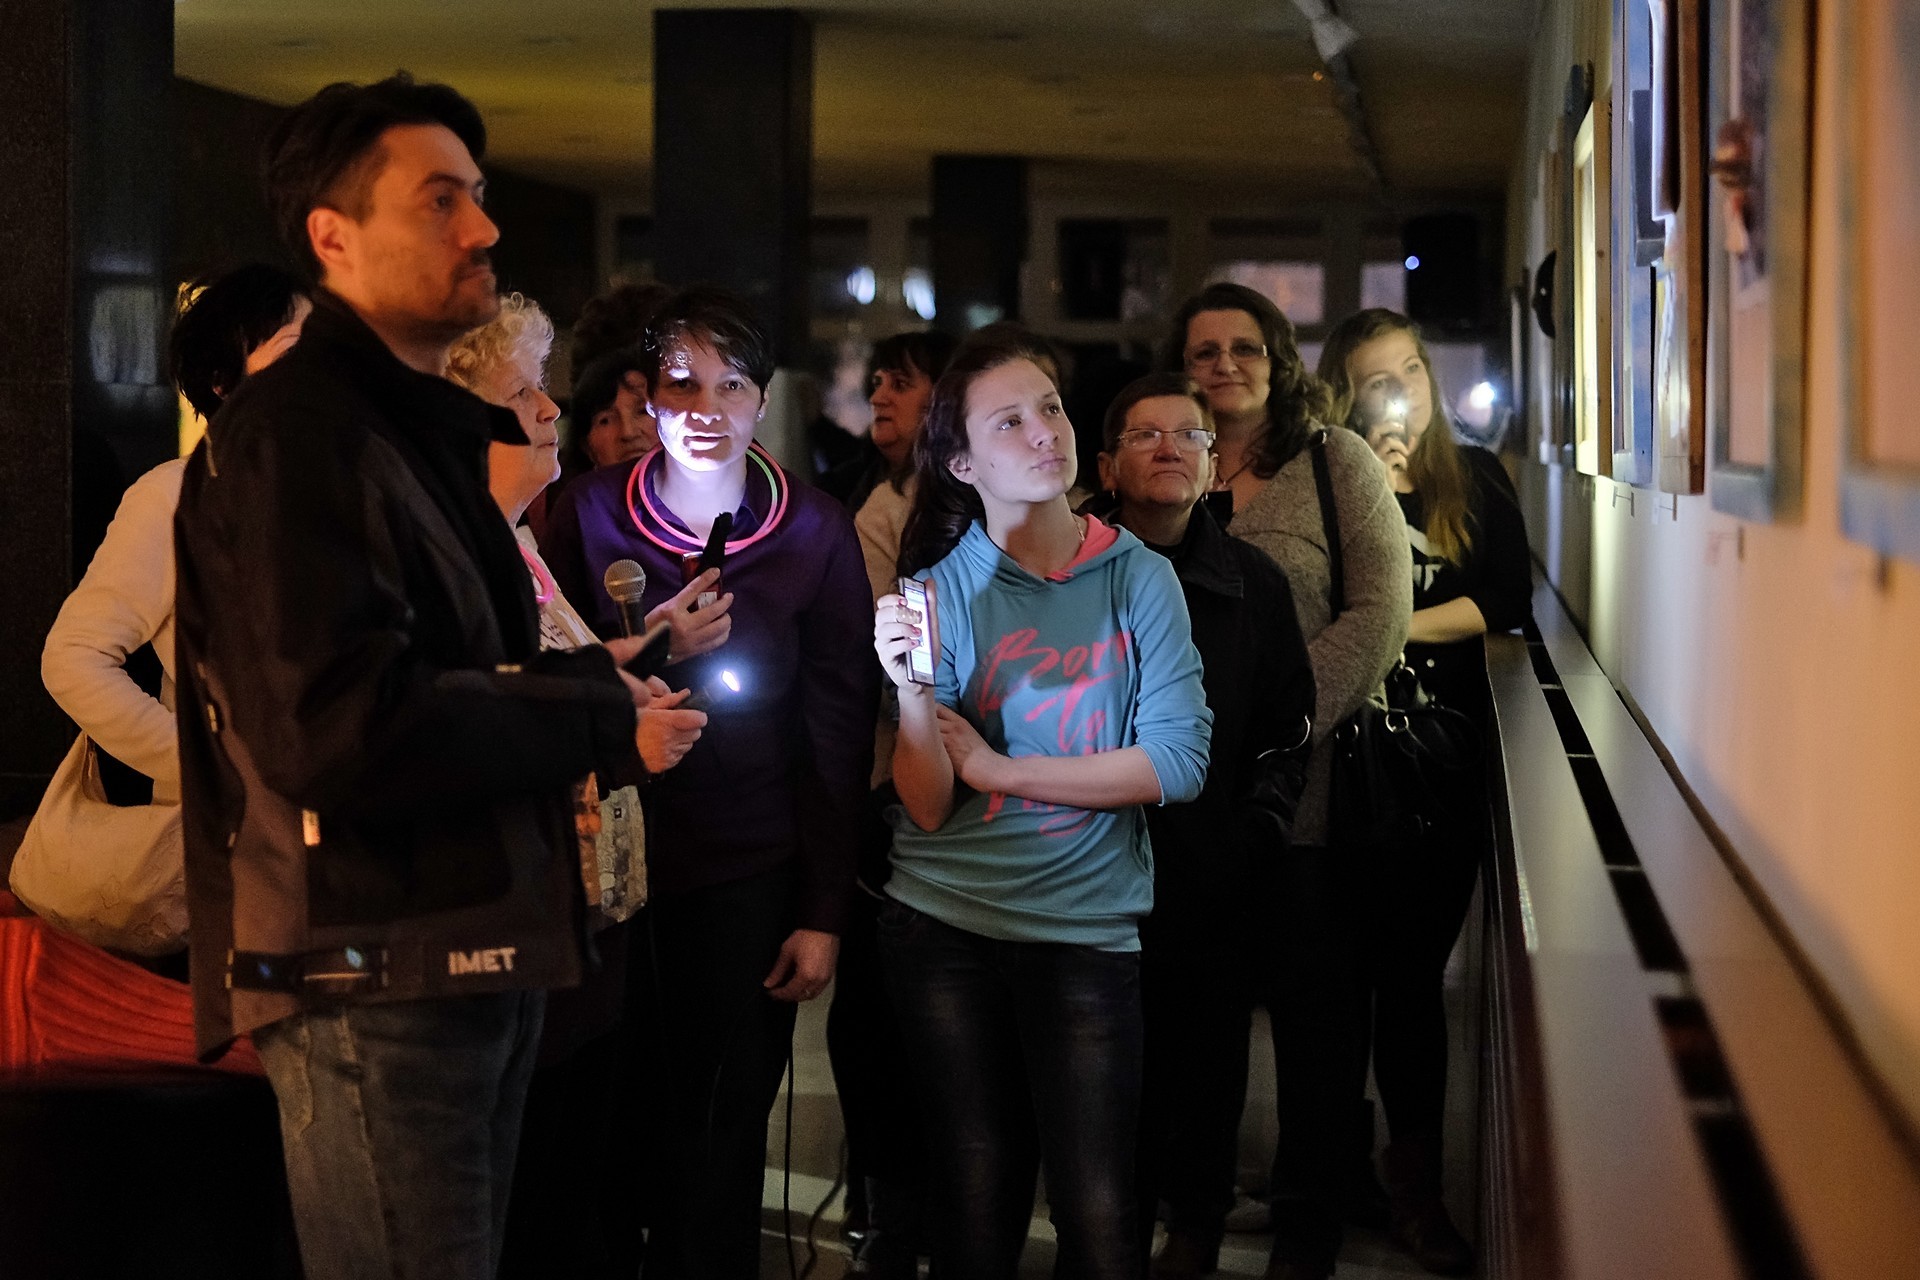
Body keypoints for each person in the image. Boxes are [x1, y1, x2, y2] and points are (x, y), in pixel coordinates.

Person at [172, 74, 650, 1280]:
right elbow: (335, 727)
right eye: (441, 200)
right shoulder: (295, 432)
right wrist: (593, 705)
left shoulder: (404, 426)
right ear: (333, 235)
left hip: (460, 947)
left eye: (479, 195)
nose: (483, 227)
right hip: (371, 965)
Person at [541, 285, 878, 1279]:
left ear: (763, 398)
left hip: (745, 862)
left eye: (731, 385)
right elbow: (539, 671)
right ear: (645, 397)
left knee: (721, 1124)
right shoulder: (588, 510)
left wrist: (821, 909)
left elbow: (836, 724)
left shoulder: (814, 528)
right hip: (602, 861)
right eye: (682, 384)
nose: (705, 408)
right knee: (602, 1118)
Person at [873, 328, 1212, 1280]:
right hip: (945, 920)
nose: (1044, 432)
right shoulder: (935, 591)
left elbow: (1177, 762)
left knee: (1100, 1213)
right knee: (975, 1200)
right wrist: (911, 695)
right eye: (1010, 421)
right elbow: (926, 810)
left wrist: (1003, 771)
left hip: (1086, 925)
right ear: (962, 462)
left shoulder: (1137, 575)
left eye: (1052, 409)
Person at [445, 292, 705, 1279]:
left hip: (586, 909)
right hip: (521, 916)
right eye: (526, 394)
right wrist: (621, 731)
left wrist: (641, 655)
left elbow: (559, 673)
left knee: (578, 1170)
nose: (552, 409)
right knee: (537, 1198)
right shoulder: (461, 552)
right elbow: (491, 720)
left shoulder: (514, 538)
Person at [1162, 283, 1412, 1280]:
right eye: (1204, 350)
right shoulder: (1164, 462)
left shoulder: (1333, 460)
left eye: (1245, 346)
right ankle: (1194, 1212)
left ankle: (1309, 1226)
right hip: (1188, 810)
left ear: (1279, 358)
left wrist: (1275, 722)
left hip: (1308, 803)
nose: (1225, 364)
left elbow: (1381, 614)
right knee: (1198, 1030)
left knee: (1317, 1028)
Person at [1082, 374, 1317, 1279]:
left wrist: (1257, 827)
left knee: (1208, 1067)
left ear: (1216, 466)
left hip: (1213, 867)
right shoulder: (1065, 574)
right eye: (1145, 435)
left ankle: (1196, 1231)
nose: (1170, 449)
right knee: (1103, 1074)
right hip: (1085, 865)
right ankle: (1106, 1239)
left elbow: (1288, 725)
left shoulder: (1254, 583)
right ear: (1107, 466)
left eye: (1190, 435)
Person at [1316, 308, 1534, 1276]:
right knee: (1331, 990)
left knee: (1410, 985)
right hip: (1335, 765)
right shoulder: (1323, 477)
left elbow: (1504, 599)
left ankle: (1415, 1189)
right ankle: (1331, 1179)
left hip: (1435, 765)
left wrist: (1391, 627)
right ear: (1344, 391)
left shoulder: (1472, 475)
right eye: (1376, 377)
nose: (1399, 390)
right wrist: (1370, 486)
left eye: (1409, 369)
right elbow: (1310, 606)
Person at [30, 264, 307, 967]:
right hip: (232, 857)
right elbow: (73, 657)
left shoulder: (332, 498)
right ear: (223, 383)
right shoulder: (174, 497)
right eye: (292, 351)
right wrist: (206, 765)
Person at [826, 326, 959, 1276]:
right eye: (876, 379)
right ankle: (888, 1212)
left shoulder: (996, 505)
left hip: (991, 801)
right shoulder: (878, 507)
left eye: (901, 382)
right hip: (892, 794)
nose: (879, 393)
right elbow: (877, 668)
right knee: (880, 1019)